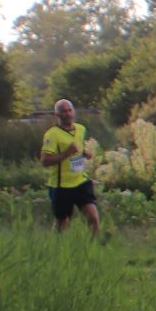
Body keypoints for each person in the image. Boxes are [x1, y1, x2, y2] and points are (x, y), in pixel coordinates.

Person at [38, 98, 100, 238]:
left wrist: (85, 152)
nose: (67, 114)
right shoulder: (52, 134)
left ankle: (95, 248)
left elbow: (78, 147)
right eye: (63, 111)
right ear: (57, 115)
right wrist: (66, 153)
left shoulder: (80, 128)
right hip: (61, 186)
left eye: (69, 110)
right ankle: (55, 248)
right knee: (62, 223)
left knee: (93, 218)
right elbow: (45, 161)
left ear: (74, 112)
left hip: (80, 181)